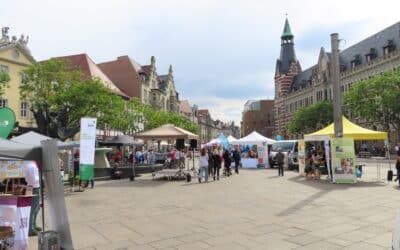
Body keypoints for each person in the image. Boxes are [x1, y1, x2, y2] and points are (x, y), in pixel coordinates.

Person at [24, 161, 41, 236]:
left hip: (29, 187)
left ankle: (32, 226)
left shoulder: (27, 163)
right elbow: (35, 179)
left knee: (34, 208)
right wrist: (41, 178)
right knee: (34, 208)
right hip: (34, 187)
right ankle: (31, 228)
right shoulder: (32, 165)